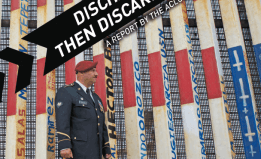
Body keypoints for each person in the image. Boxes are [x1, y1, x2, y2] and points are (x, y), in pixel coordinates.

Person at [55, 60, 111, 159]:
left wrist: (106, 148)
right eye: (93, 71)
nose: (96, 74)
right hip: (77, 151)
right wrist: (64, 145)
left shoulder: (96, 98)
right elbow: (62, 120)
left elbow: (102, 124)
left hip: (96, 152)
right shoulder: (67, 91)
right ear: (82, 73)